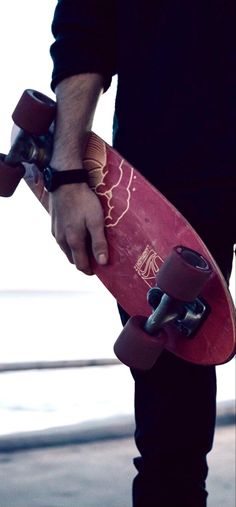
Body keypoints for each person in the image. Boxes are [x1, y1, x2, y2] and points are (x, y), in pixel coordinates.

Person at [48, 2, 236, 506]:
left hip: (180, 168)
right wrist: (66, 174)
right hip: (172, 178)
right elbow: (85, 26)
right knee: (171, 438)